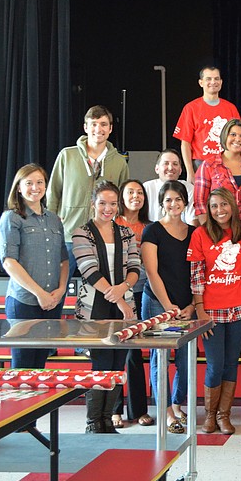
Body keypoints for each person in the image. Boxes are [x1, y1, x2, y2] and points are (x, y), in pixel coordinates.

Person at [72, 180, 139, 434]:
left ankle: (108, 419)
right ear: (93, 204)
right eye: (102, 203)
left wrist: (124, 288)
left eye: (112, 203)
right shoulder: (82, 232)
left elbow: (135, 268)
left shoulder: (127, 233)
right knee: (100, 363)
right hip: (95, 307)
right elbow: (89, 270)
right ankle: (93, 421)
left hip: (124, 306)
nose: (108, 208)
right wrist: (119, 297)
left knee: (117, 363)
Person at [188, 188, 241, 435]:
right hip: (211, 311)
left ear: (233, 206)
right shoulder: (200, 234)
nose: (219, 210)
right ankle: (209, 416)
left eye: (224, 205)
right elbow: (196, 275)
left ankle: (224, 415)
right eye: (214, 206)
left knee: (231, 363)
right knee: (215, 364)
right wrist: (200, 310)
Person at [0, 164, 69, 369]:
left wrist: (61, 290)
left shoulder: (54, 220)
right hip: (24, 301)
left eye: (39, 182)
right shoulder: (11, 218)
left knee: (41, 365)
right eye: (28, 183)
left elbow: (64, 259)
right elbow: (9, 262)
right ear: (19, 188)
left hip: (53, 301)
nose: (35, 187)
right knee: (23, 367)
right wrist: (39, 293)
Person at [141, 180, 197, 434]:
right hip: (157, 303)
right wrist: (168, 307)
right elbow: (151, 272)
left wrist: (191, 305)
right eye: (168, 200)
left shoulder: (195, 232)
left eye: (178, 199)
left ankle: (176, 404)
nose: (173, 204)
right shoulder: (152, 231)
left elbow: (199, 271)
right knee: (160, 359)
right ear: (161, 203)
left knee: (185, 359)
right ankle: (165, 411)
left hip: (186, 306)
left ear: (185, 202)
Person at [47, 105, 130, 274]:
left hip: (103, 238)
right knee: (57, 288)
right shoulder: (67, 155)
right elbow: (53, 191)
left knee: (101, 292)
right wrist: (52, 222)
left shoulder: (119, 162)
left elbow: (123, 199)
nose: (98, 129)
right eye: (93, 124)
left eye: (103, 124)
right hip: (69, 234)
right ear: (85, 127)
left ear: (110, 128)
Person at [112, 180, 153, 428]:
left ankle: (138, 410)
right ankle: (114, 410)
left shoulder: (148, 227)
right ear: (121, 197)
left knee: (135, 353)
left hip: (142, 292)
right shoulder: (112, 224)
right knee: (116, 353)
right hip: (115, 295)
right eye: (130, 192)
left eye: (139, 193)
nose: (135, 196)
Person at [173, 66, 241, 184]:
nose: (213, 82)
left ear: (221, 82)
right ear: (201, 83)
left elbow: (238, 139)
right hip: (201, 163)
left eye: (216, 79)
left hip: (226, 163)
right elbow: (185, 143)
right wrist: (190, 172)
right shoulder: (191, 108)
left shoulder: (230, 108)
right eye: (208, 79)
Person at [193, 119, 241, 224]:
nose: (237, 139)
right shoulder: (208, 165)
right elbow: (200, 203)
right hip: (219, 229)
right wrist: (208, 231)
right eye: (233, 134)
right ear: (225, 136)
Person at [143, 149, 197, 225]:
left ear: (180, 170)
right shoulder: (146, 188)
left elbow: (192, 221)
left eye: (175, 164)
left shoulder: (189, 188)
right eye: (166, 163)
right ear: (157, 169)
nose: (170, 168)